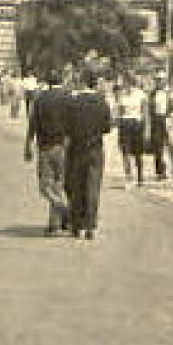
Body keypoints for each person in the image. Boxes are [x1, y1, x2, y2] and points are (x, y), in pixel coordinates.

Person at [63, 70, 114, 240]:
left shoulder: (73, 102)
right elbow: (107, 127)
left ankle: (76, 225)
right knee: (93, 187)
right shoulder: (101, 101)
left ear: (83, 82)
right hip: (95, 148)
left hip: (77, 148)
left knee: (77, 187)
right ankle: (90, 225)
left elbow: (67, 127)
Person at [23, 70, 71, 235]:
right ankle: (55, 224)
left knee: (45, 187)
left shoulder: (40, 99)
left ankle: (66, 211)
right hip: (63, 146)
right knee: (58, 185)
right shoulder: (67, 98)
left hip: (45, 147)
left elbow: (32, 123)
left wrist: (28, 144)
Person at [115, 73, 148, 185]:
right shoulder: (122, 95)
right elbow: (119, 112)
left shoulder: (141, 94)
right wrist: (118, 124)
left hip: (137, 124)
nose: (126, 85)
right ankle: (129, 177)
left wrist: (147, 129)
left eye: (128, 83)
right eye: (125, 83)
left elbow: (145, 113)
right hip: (125, 124)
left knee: (138, 153)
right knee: (126, 153)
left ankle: (140, 176)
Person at [145, 73, 172, 181]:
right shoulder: (152, 94)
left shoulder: (169, 93)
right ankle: (160, 172)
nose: (159, 82)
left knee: (170, 146)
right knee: (157, 147)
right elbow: (149, 109)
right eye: (158, 80)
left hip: (167, 119)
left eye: (161, 80)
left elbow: (172, 106)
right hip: (156, 120)